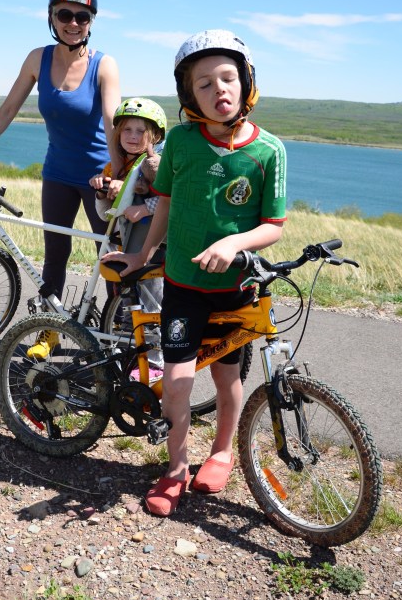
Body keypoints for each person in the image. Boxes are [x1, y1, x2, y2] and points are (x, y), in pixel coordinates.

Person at [102, 29, 287, 516]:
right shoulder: (182, 142)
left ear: (246, 83)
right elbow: (163, 202)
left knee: (228, 381)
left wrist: (233, 243)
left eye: (228, 77)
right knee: (179, 383)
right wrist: (143, 257)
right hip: (184, 287)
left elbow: (273, 226)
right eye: (204, 84)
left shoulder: (269, 150)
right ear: (189, 96)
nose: (218, 90)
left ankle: (222, 451)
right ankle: (174, 469)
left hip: (236, 289)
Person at [0, 0, 121, 358]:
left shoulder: (103, 64)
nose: (73, 22)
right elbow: (9, 108)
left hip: (100, 176)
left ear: (91, 22)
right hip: (58, 173)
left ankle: (121, 337)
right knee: (55, 253)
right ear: (51, 17)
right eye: (65, 14)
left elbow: (113, 121)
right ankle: (50, 330)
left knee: (111, 255)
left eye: (82, 16)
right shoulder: (37, 59)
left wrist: (120, 175)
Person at [90, 97, 166, 378]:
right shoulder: (116, 168)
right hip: (124, 245)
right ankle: (135, 356)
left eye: (140, 131)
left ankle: (157, 364)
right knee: (130, 304)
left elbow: (172, 204)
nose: (132, 137)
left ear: (155, 136)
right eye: (126, 130)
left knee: (152, 305)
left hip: (150, 247)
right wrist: (102, 192)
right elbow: (105, 216)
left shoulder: (155, 165)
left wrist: (142, 207)